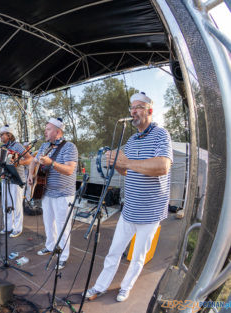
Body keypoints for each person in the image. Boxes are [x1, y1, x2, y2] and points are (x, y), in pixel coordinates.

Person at [84, 92, 173, 302]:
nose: (134, 111)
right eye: (132, 108)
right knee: (114, 252)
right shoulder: (132, 140)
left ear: (150, 110)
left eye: (139, 107)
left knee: (137, 257)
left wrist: (128, 163)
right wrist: (117, 164)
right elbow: (127, 171)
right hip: (129, 208)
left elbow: (163, 166)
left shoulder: (162, 135)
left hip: (150, 210)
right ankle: (100, 285)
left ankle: (126, 286)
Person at [28, 117, 78, 270]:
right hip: (46, 191)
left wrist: (52, 163)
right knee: (48, 223)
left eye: (48, 129)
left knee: (63, 227)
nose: (45, 131)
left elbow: (69, 170)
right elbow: (34, 161)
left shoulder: (69, 147)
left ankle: (63, 255)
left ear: (58, 132)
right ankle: (50, 246)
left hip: (63, 194)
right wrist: (31, 174)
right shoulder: (44, 146)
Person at [0, 125, 33, 238]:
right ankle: (8, 227)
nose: (0, 136)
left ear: (9, 135)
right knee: (6, 205)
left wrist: (19, 162)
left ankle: (17, 228)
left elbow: (30, 159)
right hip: (6, 179)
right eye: (0, 134)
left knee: (17, 206)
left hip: (17, 179)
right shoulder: (2, 148)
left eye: (2, 134)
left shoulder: (17, 146)